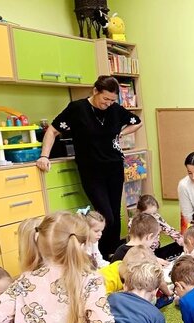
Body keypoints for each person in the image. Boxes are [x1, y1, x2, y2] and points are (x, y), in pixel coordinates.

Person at [36, 75, 143, 258]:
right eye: (105, 99)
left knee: (115, 213)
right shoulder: (77, 108)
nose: (108, 103)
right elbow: (52, 131)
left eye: (112, 100)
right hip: (91, 170)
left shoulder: (115, 109)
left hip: (114, 166)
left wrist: (120, 134)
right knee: (106, 215)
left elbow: (137, 122)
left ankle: (112, 255)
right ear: (95, 91)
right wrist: (44, 155)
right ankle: (100, 254)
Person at [128, 194, 183, 259]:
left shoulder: (157, 218)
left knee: (180, 246)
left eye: (154, 213)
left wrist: (182, 241)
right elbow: (135, 245)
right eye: (148, 214)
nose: (152, 217)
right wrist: (153, 258)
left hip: (156, 251)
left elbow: (170, 230)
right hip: (143, 254)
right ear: (139, 212)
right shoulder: (133, 223)